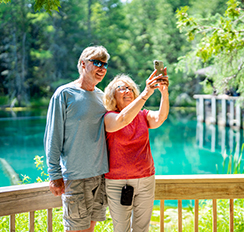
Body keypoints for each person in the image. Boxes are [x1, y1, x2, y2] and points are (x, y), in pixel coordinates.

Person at [44, 45, 110, 232]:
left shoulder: (102, 97)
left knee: (90, 229)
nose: (101, 68)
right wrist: (54, 175)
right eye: (96, 62)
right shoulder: (64, 94)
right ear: (82, 64)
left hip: (100, 176)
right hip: (75, 177)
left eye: (104, 65)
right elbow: (53, 137)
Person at [103, 68, 169, 232]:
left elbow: (161, 118)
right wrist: (146, 94)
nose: (128, 91)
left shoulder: (143, 115)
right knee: (121, 229)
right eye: (122, 88)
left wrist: (164, 92)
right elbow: (123, 119)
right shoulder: (109, 117)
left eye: (130, 88)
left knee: (142, 229)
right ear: (112, 96)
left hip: (146, 179)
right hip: (117, 183)